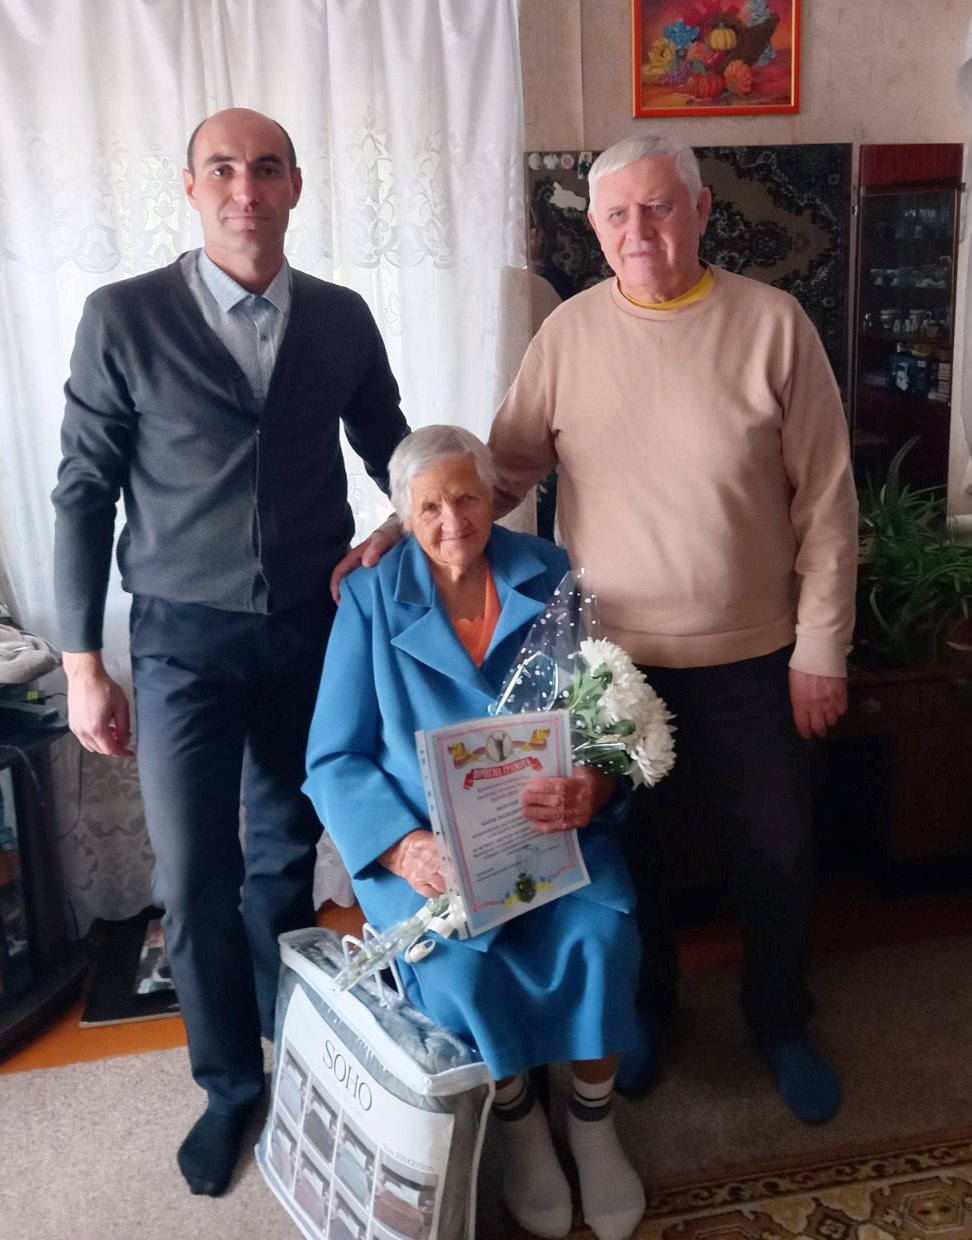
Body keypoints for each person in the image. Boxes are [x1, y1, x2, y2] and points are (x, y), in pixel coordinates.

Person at [333, 133, 859, 1127]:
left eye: (657, 207)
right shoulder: (568, 336)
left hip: (753, 654)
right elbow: (494, 473)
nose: (637, 230)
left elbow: (827, 502)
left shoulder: (773, 325)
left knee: (779, 851)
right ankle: (645, 1010)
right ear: (597, 228)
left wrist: (821, 647)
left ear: (701, 211)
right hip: (607, 664)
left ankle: (780, 1019)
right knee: (631, 855)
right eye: (616, 214)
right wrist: (405, 524)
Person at [51, 108, 409, 1196]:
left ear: (294, 185)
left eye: (264, 168)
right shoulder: (124, 316)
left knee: (286, 851)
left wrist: (408, 516)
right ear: (191, 187)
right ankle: (227, 1084)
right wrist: (81, 660)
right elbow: (83, 489)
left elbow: (390, 442)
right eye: (222, 169)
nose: (244, 189)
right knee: (193, 870)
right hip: (180, 641)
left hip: (310, 627)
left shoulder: (340, 317)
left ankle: (294, 1034)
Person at [305, 425, 646, 1240]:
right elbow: (333, 758)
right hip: (429, 854)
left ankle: (592, 1122)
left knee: (600, 938)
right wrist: (402, 848)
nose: (452, 520)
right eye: (429, 507)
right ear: (403, 515)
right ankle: (521, 1121)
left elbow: (602, 712)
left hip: (545, 833)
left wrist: (592, 786)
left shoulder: (550, 572)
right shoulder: (370, 597)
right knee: (460, 975)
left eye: (466, 497)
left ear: (494, 497)